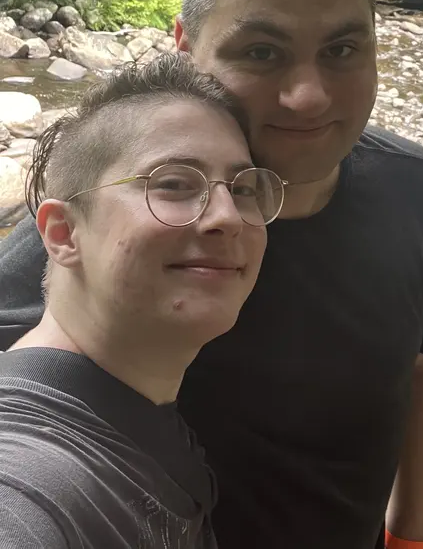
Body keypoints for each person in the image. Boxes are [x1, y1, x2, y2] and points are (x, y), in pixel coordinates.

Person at [0, 0, 423, 549]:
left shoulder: (419, 191)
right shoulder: (111, 230)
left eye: (341, 49)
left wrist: (410, 532)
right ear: (185, 48)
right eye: (260, 52)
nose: (307, 96)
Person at [0, 53, 284, 548]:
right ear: (64, 233)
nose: (228, 217)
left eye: (242, 189)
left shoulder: (139, 411)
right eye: (173, 183)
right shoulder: (29, 480)